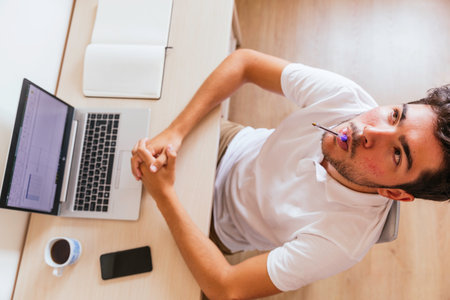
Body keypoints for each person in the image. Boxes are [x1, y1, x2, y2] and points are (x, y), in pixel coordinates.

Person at [131, 49, 450, 299]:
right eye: (396, 115)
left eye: (397, 153)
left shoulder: (341, 242)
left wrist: (165, 195)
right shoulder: (347, 99)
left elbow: (225, 287)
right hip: (227, 144)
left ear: (395, 193)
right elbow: (245, 63)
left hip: (212, 226)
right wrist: (175, 132)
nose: (369, 131)